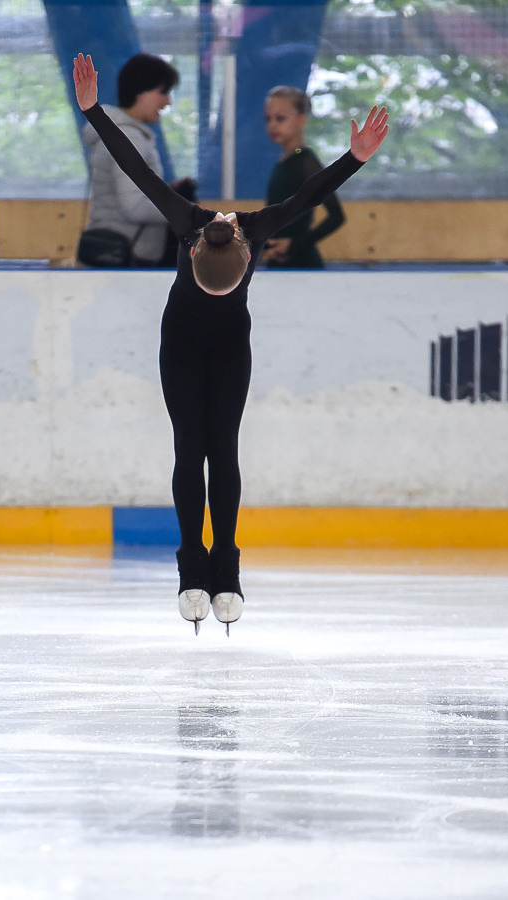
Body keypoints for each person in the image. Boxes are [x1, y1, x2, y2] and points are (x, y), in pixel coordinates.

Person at [73, 52, 388, 634]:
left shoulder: (208, 221)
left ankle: (227, 565)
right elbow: (136, 170)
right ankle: (192, 565)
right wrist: (354, 158)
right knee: (190, 448)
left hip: (227, 348)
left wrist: (94, 110)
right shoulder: (214, 223)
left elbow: (306, 197)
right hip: (182, 345)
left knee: (223, 449)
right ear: (198, 250)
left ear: (242, 256)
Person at [82, 53, 195, 267]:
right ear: (141, 91)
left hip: (117, 255)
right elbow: (134, 206)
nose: (167, 101)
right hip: (126, 260)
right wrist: (185, 212)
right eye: (163, 92)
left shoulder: (117, 132)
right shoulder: (128, 137)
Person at [261, 85, 345, 269]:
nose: (272, 125)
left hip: (301, 263)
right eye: (268, 119)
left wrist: (295, 245)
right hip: (279, 261)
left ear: (302, 119)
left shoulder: (305, 162)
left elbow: (337, 216)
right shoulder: (286, 160)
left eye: (280, 118)